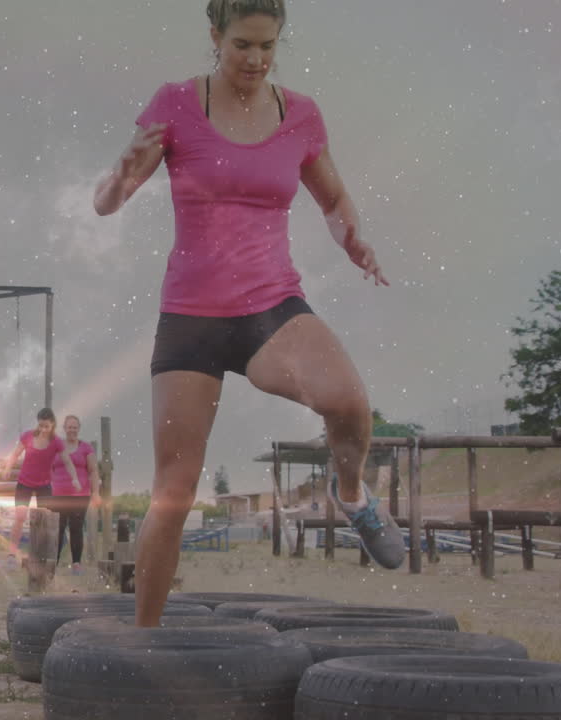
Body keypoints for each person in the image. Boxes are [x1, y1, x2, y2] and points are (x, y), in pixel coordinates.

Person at [93, 0, 403, 626]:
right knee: (173, 493)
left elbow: (334, 197)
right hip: (190, 318)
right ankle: (142, 645)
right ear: (215, 37)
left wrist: (353, 239)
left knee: (348, 403)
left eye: (268, 46)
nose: (256, 60)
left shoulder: (301, 114)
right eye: (242, 46)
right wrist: (121, 172)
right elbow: (108, 203)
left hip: (271, 308)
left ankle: (353, 496)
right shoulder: (178, 103)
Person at [0, 408, 80, 564]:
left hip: (44, 485)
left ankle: (41, 555)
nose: (43, 429)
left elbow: (67, 462)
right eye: (40, 425)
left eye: (46, 427)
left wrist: (75, 478)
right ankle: (11, 554)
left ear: (52, 425)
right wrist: (8, 468)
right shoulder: (28, 436)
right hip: (24, 483)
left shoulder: (56, 442)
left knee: (45, 520)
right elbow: (15, 454)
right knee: (20, 517)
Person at [48, 415, 102, 572]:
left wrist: (96, 492)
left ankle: (76, 564)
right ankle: (53, 563)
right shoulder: (56, 446)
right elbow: (48, 468)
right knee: (57, 528)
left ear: (78, 429)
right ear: (64, 428)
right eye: (69, 427)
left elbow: (93, 471)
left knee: (76, 528)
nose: (72, 429)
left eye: (75, 427)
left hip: (80, 495)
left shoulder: (86, 448)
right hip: (57, 495)